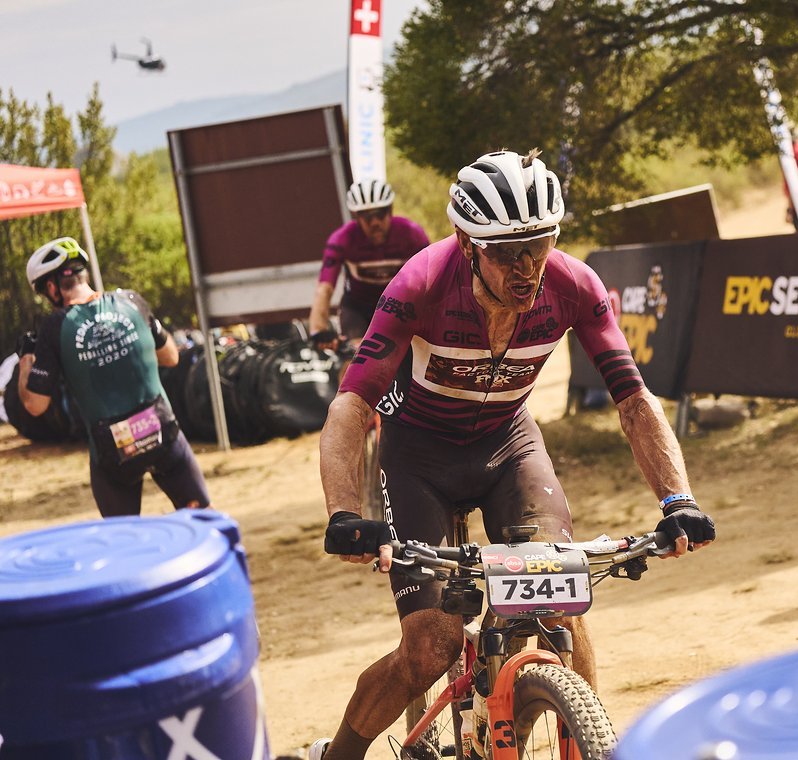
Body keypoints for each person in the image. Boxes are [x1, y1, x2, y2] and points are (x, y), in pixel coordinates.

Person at [307, 149, 717, 760]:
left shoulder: (574, 285)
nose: (526, 268)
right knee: (430, 649)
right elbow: (351, 405)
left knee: (561, 614)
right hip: (418, 457)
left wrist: (677, 500)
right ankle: (342, 753)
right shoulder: (420, 283)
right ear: (467, 243)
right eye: (506, 252)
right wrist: (343, 512)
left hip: (508, 447)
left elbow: (632, 398)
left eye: (540, 245)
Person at [17, 237, 210, 517]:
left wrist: (26, 360)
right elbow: (171, 357)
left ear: (51, 287)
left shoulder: (55, 327)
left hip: (113, 455)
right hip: (163, 435)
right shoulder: (131, 301)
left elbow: (35, 405)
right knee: (207, 519)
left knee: (123, 543)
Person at [308, 179, 430, 349]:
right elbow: (325, 288)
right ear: (356, 218)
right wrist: (318, 329)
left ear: (390, 211)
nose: (375, 223)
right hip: (358, 309)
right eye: (367, 217)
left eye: (380, 214)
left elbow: (434, 280)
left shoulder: (411, 234)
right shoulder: (343, 239)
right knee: (357, 358)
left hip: (401, 308)